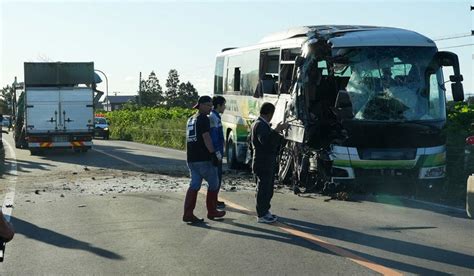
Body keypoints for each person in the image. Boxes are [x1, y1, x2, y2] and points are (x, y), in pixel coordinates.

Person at [183, 96, 226, 223]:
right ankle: (212, 211)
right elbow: (206, 137)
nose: (210, 108)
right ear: (200, 105)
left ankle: (188, 213)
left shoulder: (191, 119)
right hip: (203, 158)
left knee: (194, 185)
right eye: (208, 105)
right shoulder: (203, 119)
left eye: (211, 105)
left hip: (191, 158)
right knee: (214, 184)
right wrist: (213, 153)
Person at [251, 102, 288, 223]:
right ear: (269, 113)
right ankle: (262, 214)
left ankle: (265, 211)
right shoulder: (261, 125)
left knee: (267, 188)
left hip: (264, 161)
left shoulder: (260, 124)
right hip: (263, 161)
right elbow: (266, 142)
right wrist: (276, 131)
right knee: (264, 189)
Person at [209, 96, 226, 209]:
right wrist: (217, 153)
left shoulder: (215, 116)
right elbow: (214, 137)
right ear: (219, 105)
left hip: (218, 150)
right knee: (216, 178)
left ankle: (214, 200)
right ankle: (213, 202)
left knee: (217, 177)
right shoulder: (213, 117)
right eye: (224, 105)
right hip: (216, 152)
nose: (225, 107)